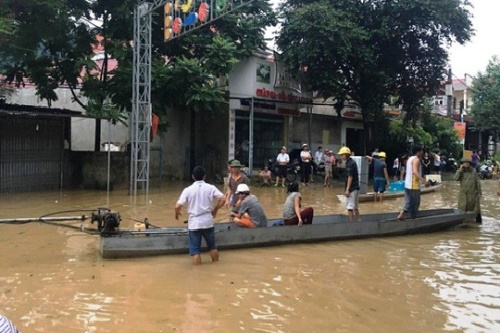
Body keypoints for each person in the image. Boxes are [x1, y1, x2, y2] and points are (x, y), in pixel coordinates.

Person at [175, 166, 225, 265]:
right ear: (204, 177)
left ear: (193, 177)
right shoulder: (211, 188)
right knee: (212, 247)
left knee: (195, 251)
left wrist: (177, 214)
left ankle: (197, 273)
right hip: (208, 221)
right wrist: (215, 210)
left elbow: (177, 206)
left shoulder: (188, 190)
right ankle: (216, 266)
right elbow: (223, 199)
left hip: (194, 223)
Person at [397, 146, 429, 220]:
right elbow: (415, 171)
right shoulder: (416, 160)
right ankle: (412, 219)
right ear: (418, 152)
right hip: (413, 185)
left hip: (407, 184)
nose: (422, 152)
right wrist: (424, 181)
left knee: (408, 201)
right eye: (421, 151)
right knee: (415, 203)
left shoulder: (410, 159)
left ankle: (403, 214)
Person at [454, 158, 482, 223]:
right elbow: (455, 179)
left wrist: (480, 192)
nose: (466, 164)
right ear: (462, 164)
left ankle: (477, 226)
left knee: (476, 210)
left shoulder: (473, 172)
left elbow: (478, 182)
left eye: (467, 163)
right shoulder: (460, 172)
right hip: (463, 195)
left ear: (470, 164)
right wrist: (460, 170)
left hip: (472, 194)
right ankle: (463, 224)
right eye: (464, 163)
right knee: (462, 210)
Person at [338, 146, 360, 221]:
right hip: (355, 187)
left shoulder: (350, 163)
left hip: (352, 188)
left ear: (346, 154)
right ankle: (359, 221)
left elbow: (350, 177)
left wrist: (347, 189)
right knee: (355, 207)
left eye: (342, 155)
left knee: (349, 208)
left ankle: (351, 224)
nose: (341, 156)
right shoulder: (350, 162)